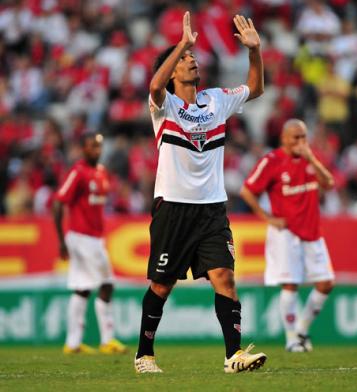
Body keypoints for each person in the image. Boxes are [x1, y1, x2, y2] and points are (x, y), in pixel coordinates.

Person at [134, 11, 267, 373]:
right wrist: (182, 44)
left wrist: (255, 52)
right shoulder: (164, 107)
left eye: (193, 58)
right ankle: (144, 354)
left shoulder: (216, 100)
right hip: (174, 207)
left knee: (225, 276)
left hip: (211, 208)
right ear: (174, 69)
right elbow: (153, 87)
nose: (193, 62)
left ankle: (233, 356)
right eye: (186, 60)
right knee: (161, 285)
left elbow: (256, 88)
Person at [240, 119, 335, 352]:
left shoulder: (311, 159)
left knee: (326, 283)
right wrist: (267, 217)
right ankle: (292, 338)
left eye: (304, 137)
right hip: (286, 233)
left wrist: (311, 158)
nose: (301, 142)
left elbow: (329, 183)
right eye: (296, 137)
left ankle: (302, 329)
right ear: (284, 138)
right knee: (290, 285)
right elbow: (247, 190)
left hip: (312, 231)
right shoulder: (271, 161)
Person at [53, 132, 127, 355]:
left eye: (98, 146)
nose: (96, 150)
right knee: (107, 284)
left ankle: (73, 344)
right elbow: (58, 203)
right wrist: (61, 241)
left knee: (82, 289)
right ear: (82, 149)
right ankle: (107, 340)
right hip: (81, 237)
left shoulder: (101, 172)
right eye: (91, 147)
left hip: (93, 237)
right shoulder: (78, 172)